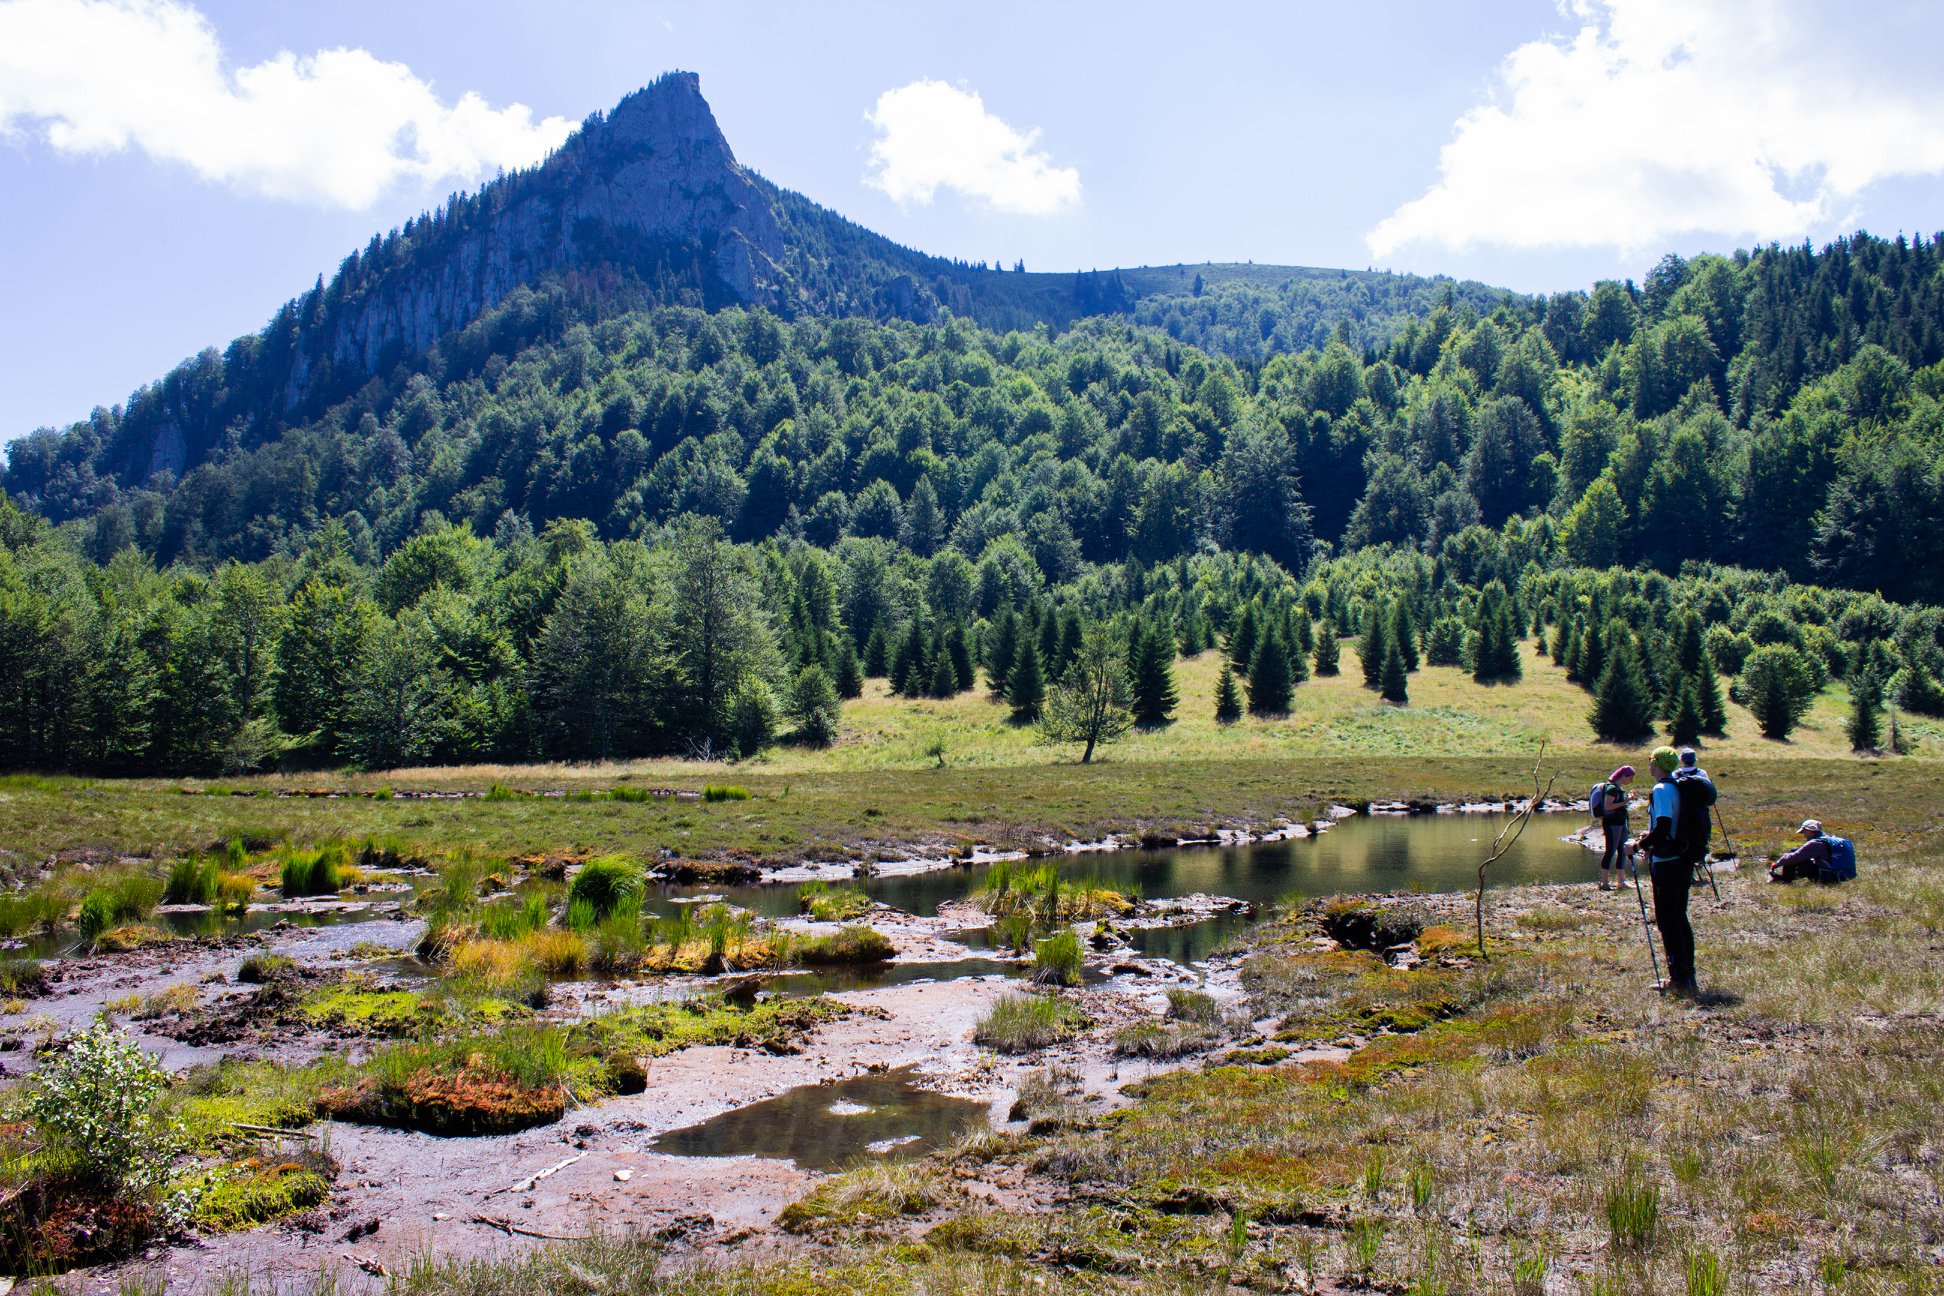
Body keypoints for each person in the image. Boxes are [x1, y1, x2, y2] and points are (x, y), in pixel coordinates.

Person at [1630, 745, 1713, 997]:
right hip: (1684, 858)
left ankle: (1677, 979)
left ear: (1657, 764)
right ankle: (1688, 976)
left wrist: (1638, 845)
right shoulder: (1679, 786)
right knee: (1679, 917)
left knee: (1667, 920)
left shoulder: (1661, 789)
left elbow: (1664, 827)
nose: (1649, 766)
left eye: (1651, 762)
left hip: (1667, 862)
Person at [1590, 765, 1635, 891]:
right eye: (1630, 778)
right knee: (1610, 851)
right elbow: (1608, 806)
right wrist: (1626, 802)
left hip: (1620, 823)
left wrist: (1627, 800)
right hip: (1612, 824)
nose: (1631, 781)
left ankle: (1621, 882)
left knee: (1622, 850)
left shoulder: (1618, 788)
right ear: (1623, 776)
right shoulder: (1612, 788)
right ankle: (1604, 883)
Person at [1769, 820, 1852, 883]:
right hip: (1838, 876)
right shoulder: (1827, 840)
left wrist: (1776, 864)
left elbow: (1795, 856)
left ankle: (1785, 879)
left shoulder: (1816, 843)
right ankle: (1787, 878)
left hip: (1825, 877)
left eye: (1804, 832)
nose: (1804, 835)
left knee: (1794, 852)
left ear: (1810, 831)